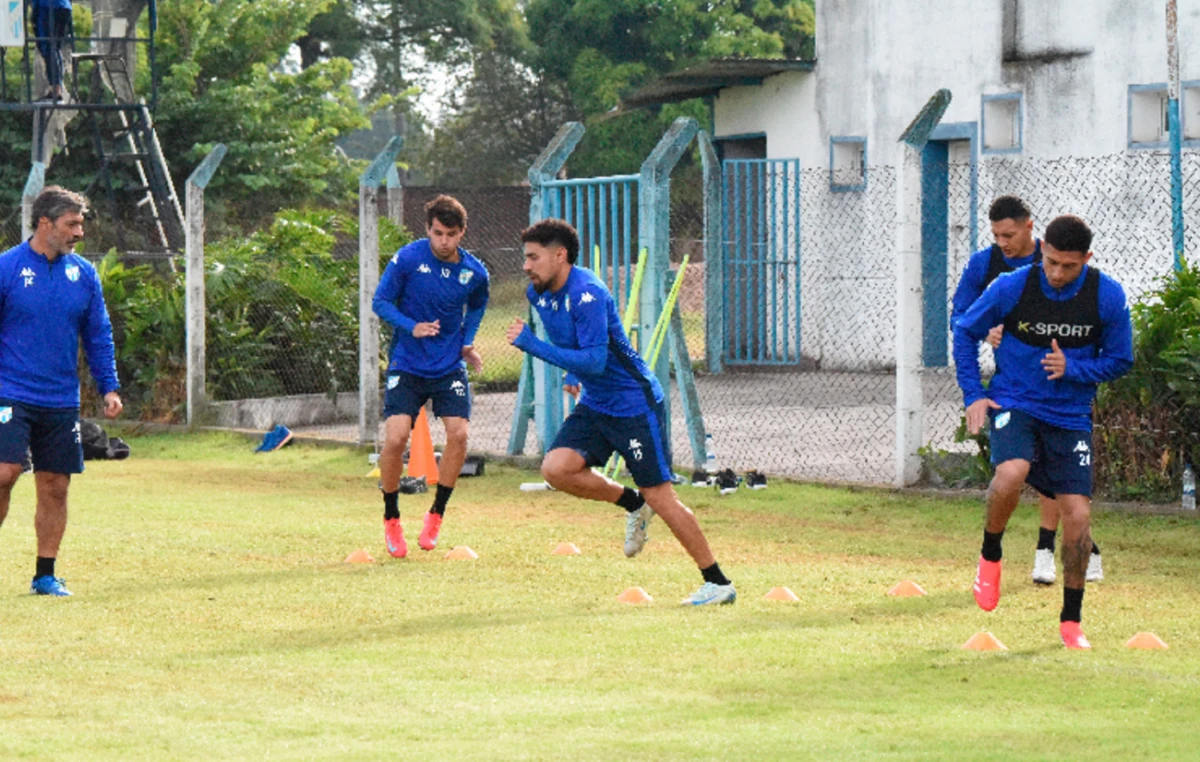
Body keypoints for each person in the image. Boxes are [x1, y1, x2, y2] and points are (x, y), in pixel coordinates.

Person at [505, 218, 735, 606]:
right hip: (596, 401)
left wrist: (533, 345)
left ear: (560, 256)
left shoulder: (587, 294)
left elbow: (595, 360)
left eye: (533, 257)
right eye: (525, 257)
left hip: (633, 404)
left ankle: (718, 582)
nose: (526, 266)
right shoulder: (539, 295)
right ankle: (633, 504)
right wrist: (571, 370)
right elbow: (580, 352)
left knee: (661, 496)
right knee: (556, 469)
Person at [953, 214, 1132, 649]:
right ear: (1042, 252)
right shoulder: (1013, 285)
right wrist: (974, 393)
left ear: (1086, 259)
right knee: (1011, 472)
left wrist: (1076, 368)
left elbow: (1121, 359)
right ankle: (990, 554)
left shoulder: (1105, 296)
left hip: (1069, 415)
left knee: (1078, 514)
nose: (1056, 273)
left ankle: (1071, 622)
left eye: (1068, 266)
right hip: (1016, 402)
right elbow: (964, 330)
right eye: (1050, 262)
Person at [951, 195, 1104, 587]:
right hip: (1013, 385)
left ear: (1030, 227)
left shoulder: (1059, 261)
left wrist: (1077, 367)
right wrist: (988, 330)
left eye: (1010, 234)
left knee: (1058, 476)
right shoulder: (985, 266)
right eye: (996, 234)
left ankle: (1045, 550)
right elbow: (961, 320)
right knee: (1017, 469)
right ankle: (1005, 552)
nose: (1003, 241)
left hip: (1062, 386)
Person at [0, 186, 122, 596]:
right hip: (9, 393)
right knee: (4, 472)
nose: (79, 233)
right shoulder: (8, 268)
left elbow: (98, 334)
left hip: (59, 399)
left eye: (81, 224)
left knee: (56, 484)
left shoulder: (83, 275)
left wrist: (110, 387)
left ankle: (45, 574)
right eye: (71, 224)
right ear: (45, 223)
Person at [372, 195, 489, 558]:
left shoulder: (474, 272)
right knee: (394, 440)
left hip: (448, 366)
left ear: (461, 233)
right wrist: (412, 326)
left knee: (460, 434)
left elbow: (480, 303)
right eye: (437, 233)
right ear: (427, 230)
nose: (444, 241)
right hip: (407, 363)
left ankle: (436, 513)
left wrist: (466, 342)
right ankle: (391, 518)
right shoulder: (408, 259)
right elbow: (380, 302)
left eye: (451, 234)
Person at [29, 0, 74, 102]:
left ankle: (55, 91)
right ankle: (56, 89)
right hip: (64, 6)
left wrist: (33, 14)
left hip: (47, 6)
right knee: (55, 48)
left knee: (48, 47)